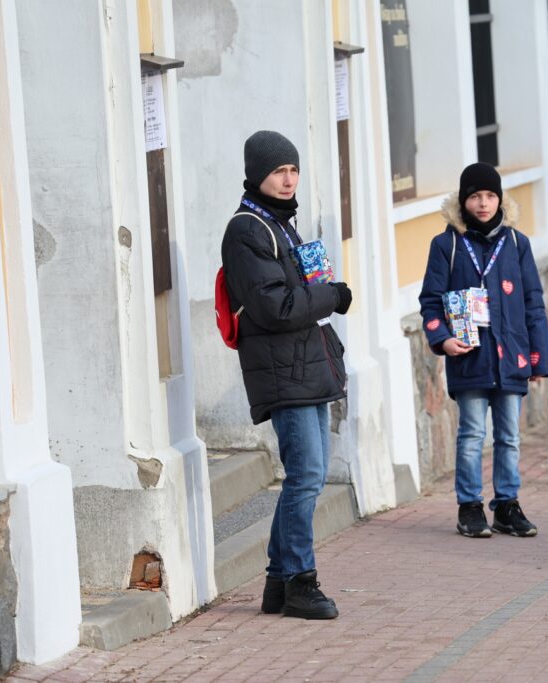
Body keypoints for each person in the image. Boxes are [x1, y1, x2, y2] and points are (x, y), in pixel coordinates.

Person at [221, 130, 352, 619]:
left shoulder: (279, 225)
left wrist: (322, 293)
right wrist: (333, 295)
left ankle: (279, 583)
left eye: (293, 170)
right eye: (278, 171)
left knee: (309, 476)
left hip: (304, 364)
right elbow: (274, 306)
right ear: (258, 174)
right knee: (306, 476)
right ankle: (300, 582)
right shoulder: (247, 230)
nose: (288, 179)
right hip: (283, 370)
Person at [419, 162, 548, 538]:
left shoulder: (516, 244)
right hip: (470, 358)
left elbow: (533, 303)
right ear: (463, 200)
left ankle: (507, 506)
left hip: (510, 358)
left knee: (509, 435)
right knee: (472, 434)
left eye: (490, 196)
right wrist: (443, 339)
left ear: (500, 199)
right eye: (475, 196)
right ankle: (470, 507)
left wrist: (539, 359)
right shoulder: (446, 245)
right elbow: (430, 302)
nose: (483, 204)